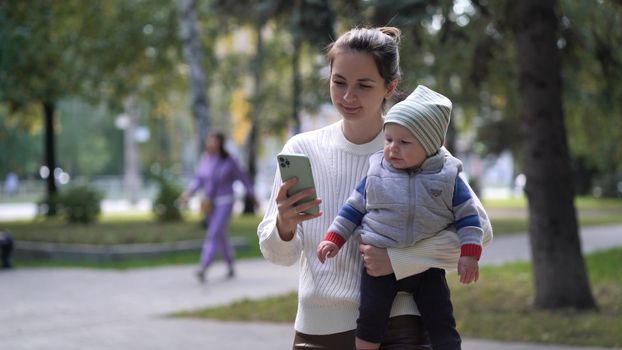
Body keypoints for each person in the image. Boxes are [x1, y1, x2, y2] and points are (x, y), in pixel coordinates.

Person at [257, 26, 493, 350]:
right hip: (315, 333)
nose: (347, 96)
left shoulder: (421, 151)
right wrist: (284, 225)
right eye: (338, 82)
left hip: (399, 331)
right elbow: (279, 256)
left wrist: (398, 259)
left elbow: (481, 231)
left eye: (364, 85)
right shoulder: (301, 149)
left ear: (390, 87)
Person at [317, 85, 484, 350]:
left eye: (404, 142)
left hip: (426, 267)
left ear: (430, 146)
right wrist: (333, 239)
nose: (393, 148)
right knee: (371, 315)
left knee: (441, 317)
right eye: (389, 140)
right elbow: (352, 209)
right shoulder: (377, 172)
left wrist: (469, 253)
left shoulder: (448, 176)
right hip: (378, 258)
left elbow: (469, 217)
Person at [178, 131, 257, 283]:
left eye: (214, 141)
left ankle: (204, 266)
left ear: (220, 143)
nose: (211, 144)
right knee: (220, 236)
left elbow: (243, 178)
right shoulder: (206, 159)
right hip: (209, 203)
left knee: (213, 233)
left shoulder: (229, 161)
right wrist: (188, 193)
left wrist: (252, 195)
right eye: (210, 141)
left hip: (225, 201)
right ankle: (230, 264)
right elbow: (199, 179)